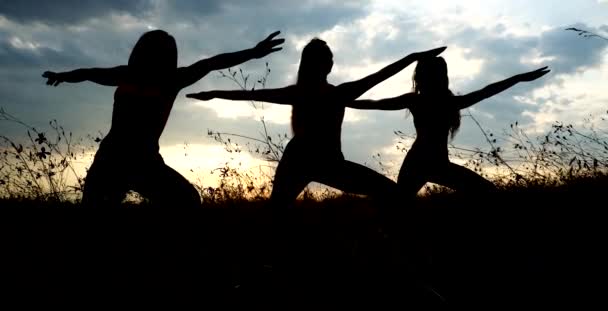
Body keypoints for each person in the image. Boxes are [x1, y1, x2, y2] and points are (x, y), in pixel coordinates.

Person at [187, 38, 446, 205]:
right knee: (278, 216)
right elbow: (251, 94)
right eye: (327, 59)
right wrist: (411, 56)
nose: (330, 62)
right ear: (325, 65)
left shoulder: (322, 92)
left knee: (393, 194)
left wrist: (213, 94)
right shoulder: (328, 93)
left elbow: (379, 75)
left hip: (320, 162)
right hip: (306, 161)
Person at [42, 30, 284, 207]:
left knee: (187, 200)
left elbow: (212, 63)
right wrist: (63, 76)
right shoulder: (136, 76)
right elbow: (88, 73)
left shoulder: (165, 79)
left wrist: (253, 53)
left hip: (140, 162)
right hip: (113, 160)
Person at [349, 57, 550, 198]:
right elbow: (376, 103)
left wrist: (519, 78)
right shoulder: (427, 101)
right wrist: (342, 101)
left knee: (399, 205)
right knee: (399, 206)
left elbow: (487, 91)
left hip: (429, 163)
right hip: (421, 163)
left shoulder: (430, 101)